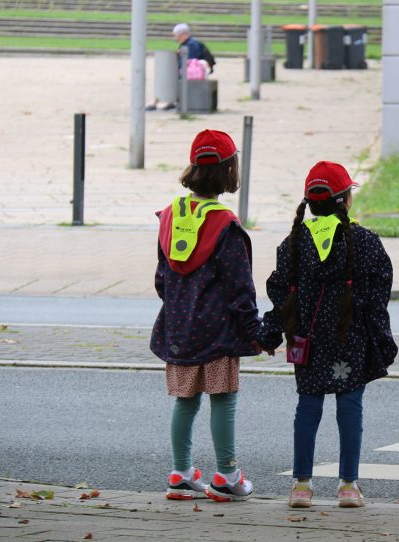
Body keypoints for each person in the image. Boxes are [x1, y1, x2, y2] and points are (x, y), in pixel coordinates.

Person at [257, 161, 397, 509]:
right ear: (346, 199)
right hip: (351, 338)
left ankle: (301, 487)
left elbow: (281, 294)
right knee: (350, 407)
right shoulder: (365, 242)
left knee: (308, 406)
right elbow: (378, 300)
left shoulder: (294, 243)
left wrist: (271, 333)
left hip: (306, 340)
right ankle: (348, 485)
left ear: (309, 202)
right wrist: (383, 342)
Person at [150, 129, 259, 502]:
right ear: (230, 172)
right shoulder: (226, 226)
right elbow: (239, 288)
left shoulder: (169, 216)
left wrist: (180, 309)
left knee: (185, 400)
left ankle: (181, 474)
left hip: (178, 327)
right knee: (223, 398)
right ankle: (227, 475)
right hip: (218, 333)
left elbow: (162, 280)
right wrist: (253, 331)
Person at [147, 23, 216, 111]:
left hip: (192, 74)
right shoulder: (189, 43)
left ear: (184, 34)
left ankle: (158, 101)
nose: (176, 38)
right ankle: (162, 100)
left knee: (168, 77)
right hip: (191, 73)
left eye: (177, 36)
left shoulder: (191, 44)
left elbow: (188, 62)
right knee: (168, 76)